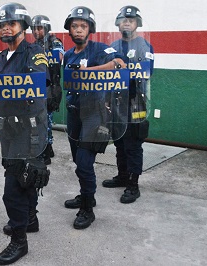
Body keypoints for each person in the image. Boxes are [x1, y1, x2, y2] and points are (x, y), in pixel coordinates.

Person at [0, 3, 50, 265]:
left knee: (12, 189)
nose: (5, 27)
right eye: (2, 24)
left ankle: (19, 241)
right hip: (8, 130)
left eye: (11, 23)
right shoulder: (0, 58)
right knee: (24, 178)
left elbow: (37, 87)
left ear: (23, 27)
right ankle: (31, 220)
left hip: (29, 129)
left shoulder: (35, 53)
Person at [62, 6, 126, 229]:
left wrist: (89, 72)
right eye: (74, 26)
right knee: (78, 162)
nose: (79, 30)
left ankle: (87, 208)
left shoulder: (100, 49)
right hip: (73, 114)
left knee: (85, 163)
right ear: (69, 30)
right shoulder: (68, 55)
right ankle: (86, 195)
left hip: (94, 116)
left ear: (90, 29)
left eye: (83, 26)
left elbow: (120, 65)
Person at [102, 5, 154, 203]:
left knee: (133, 144)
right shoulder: (112, 47)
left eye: (131, 20)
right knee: (119, 141)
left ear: (137, 24)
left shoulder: (145, 46)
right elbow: (106, 76)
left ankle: (133, 184)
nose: (127, 23)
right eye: (124, 20)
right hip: (116, 101)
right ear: (118, 24)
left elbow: (147, 74)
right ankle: (122, 176)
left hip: (136, 102)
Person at [31, 15, 64, 165]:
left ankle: (46, 149)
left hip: (51, 87)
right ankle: (47, 147)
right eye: (34, 28)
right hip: (37, 87)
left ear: (46, 29)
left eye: (39, 28)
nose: (36, 31)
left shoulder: (54, 42)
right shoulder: (34, 45)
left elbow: (60, 57)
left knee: (46, 119)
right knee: (39, 120)